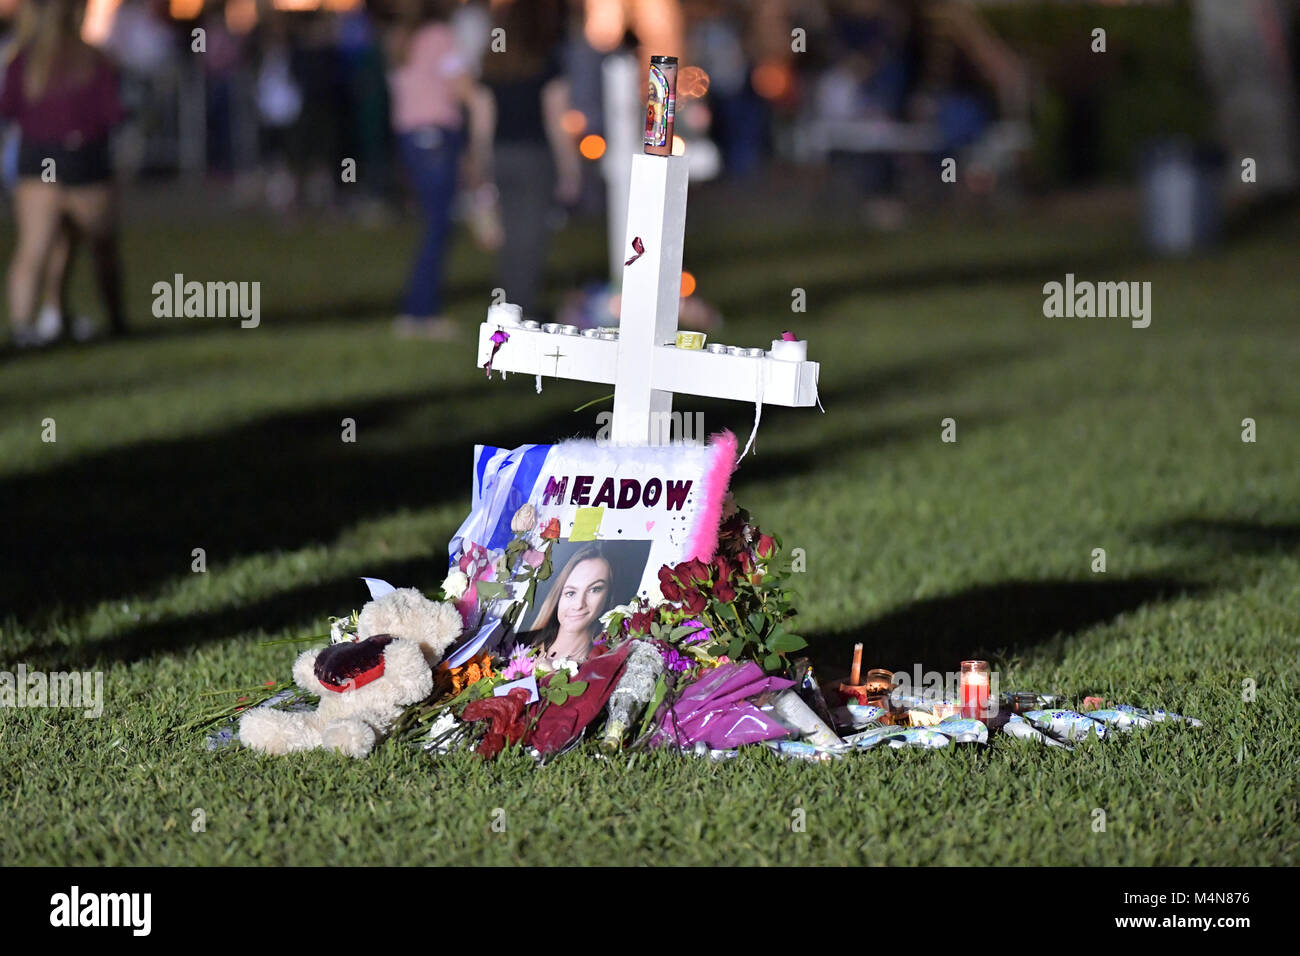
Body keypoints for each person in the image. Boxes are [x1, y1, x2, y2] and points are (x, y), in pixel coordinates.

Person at [2, 0, 126, 346]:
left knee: (34, 251)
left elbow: (9, 108)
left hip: (38, 162)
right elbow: (112, 113)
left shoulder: (24, 60)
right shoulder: (95, 60)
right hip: (84, 161)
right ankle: (115, 322)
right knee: (101, 250)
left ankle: (26, 328)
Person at [385, 0, 484, 339]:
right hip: (436, 137)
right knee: (438, 226)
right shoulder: (440, 36)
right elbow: (461, 85)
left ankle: (417, 309)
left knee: (433, 223)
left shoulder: (401, 37)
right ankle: (421, 312)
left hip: (411, 137)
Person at [477, 0, 580, 321]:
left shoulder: (492, 64)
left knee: (509, 237)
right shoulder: (547, 61)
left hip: (502, 155)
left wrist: (479, 164)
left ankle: (506, 309)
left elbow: (483, 120)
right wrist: (570, 170)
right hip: (535, 157)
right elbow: (555, 120)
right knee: (530, 238)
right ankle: (523, 310)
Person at [525, 544, 614, 665]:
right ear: (558, 597)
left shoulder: (604, 661)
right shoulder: (522, 647)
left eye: (594, 590)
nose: (579, 604)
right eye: (570, 593)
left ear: (608, 595)